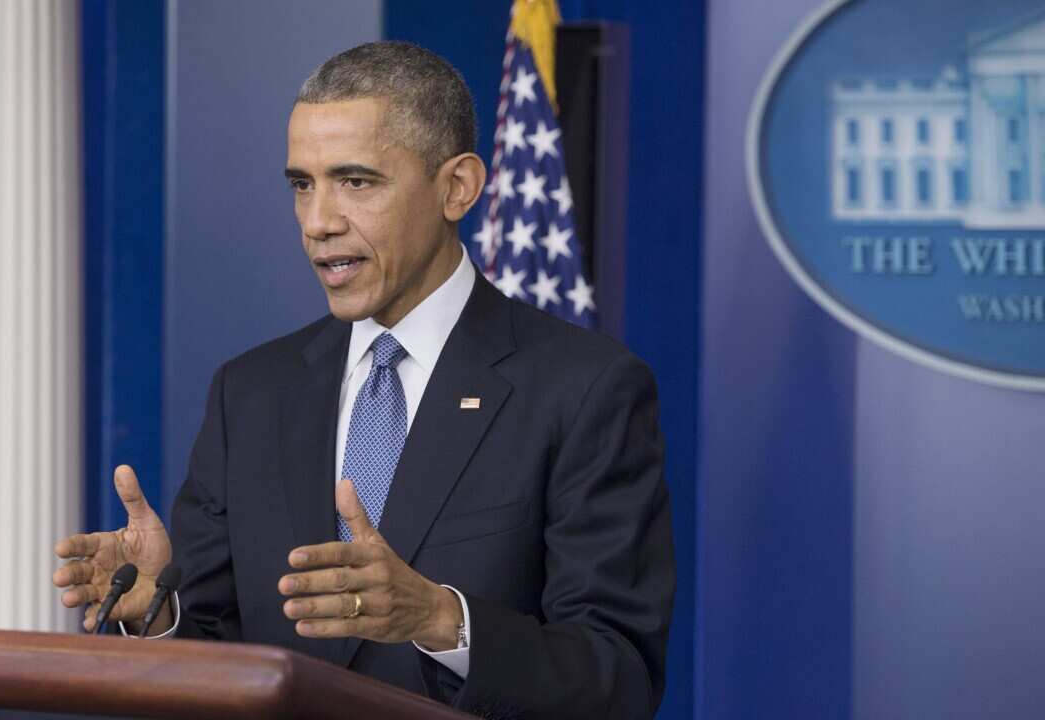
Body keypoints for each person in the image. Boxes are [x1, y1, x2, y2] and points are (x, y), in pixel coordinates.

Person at [52, 41, 674, 719]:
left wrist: (442, 619)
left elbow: (618, 680)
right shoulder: (251, 393)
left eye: (357, 181)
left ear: (456, 188)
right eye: (302, 184)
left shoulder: (584, 389)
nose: (319, 222)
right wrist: (162, 614)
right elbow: (219, 658)